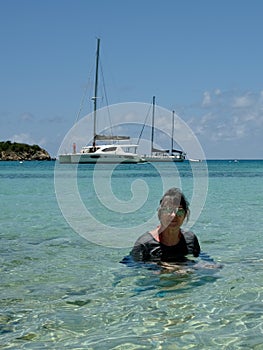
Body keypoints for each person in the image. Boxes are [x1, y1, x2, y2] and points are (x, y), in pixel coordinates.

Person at [129, 187, 200, 264]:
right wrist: (164, 267)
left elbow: (200, 257)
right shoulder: (144, 243)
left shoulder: (190, 239)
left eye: (179, 211)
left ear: (185, 215)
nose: (173, 215)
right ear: (160, 214)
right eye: (168, 210)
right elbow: (132, 266)